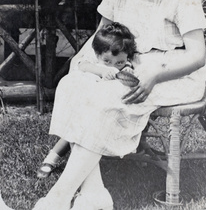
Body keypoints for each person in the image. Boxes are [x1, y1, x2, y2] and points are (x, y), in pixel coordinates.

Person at [2, 0, 206, 210]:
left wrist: (154, 78)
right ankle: (96, 192)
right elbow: (101, 35)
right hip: (129, 66)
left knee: (104, 96)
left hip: (172, 72)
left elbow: (197, 55)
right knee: (73, 84)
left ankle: (58, 198)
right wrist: (83, 65)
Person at [36, 22, 137, 179]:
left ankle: (69, 160)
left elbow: (127, 74)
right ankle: (54, 155)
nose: (114, 66)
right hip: (85, 103)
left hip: (103, 112)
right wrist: (102, 70)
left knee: (84, 127)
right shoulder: (95, 62)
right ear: (98, 55)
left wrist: (126, 70)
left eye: (120, 62)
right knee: (78, 125)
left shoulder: (125, 66)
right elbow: (82, 65)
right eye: (108, 61)